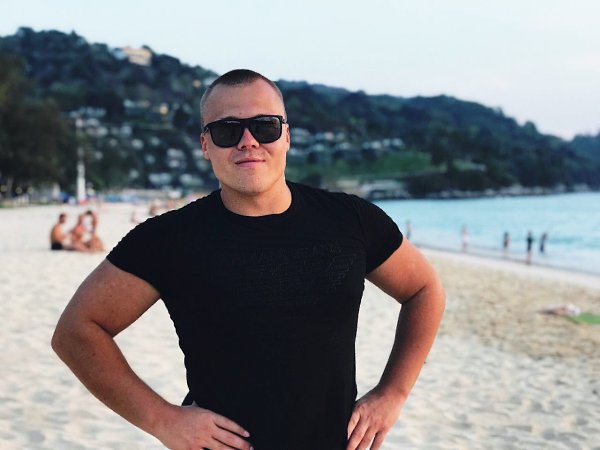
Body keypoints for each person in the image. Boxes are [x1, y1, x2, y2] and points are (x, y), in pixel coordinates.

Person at [52, 69, 445, 450]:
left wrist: (393, 393)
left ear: (287, 135)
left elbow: (424, 290)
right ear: (205, 144)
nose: (248, 141)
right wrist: (162, 419)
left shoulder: (350, 220)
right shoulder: (168, 238)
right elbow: (76, 331)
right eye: (227, 131)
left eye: (265, 126)